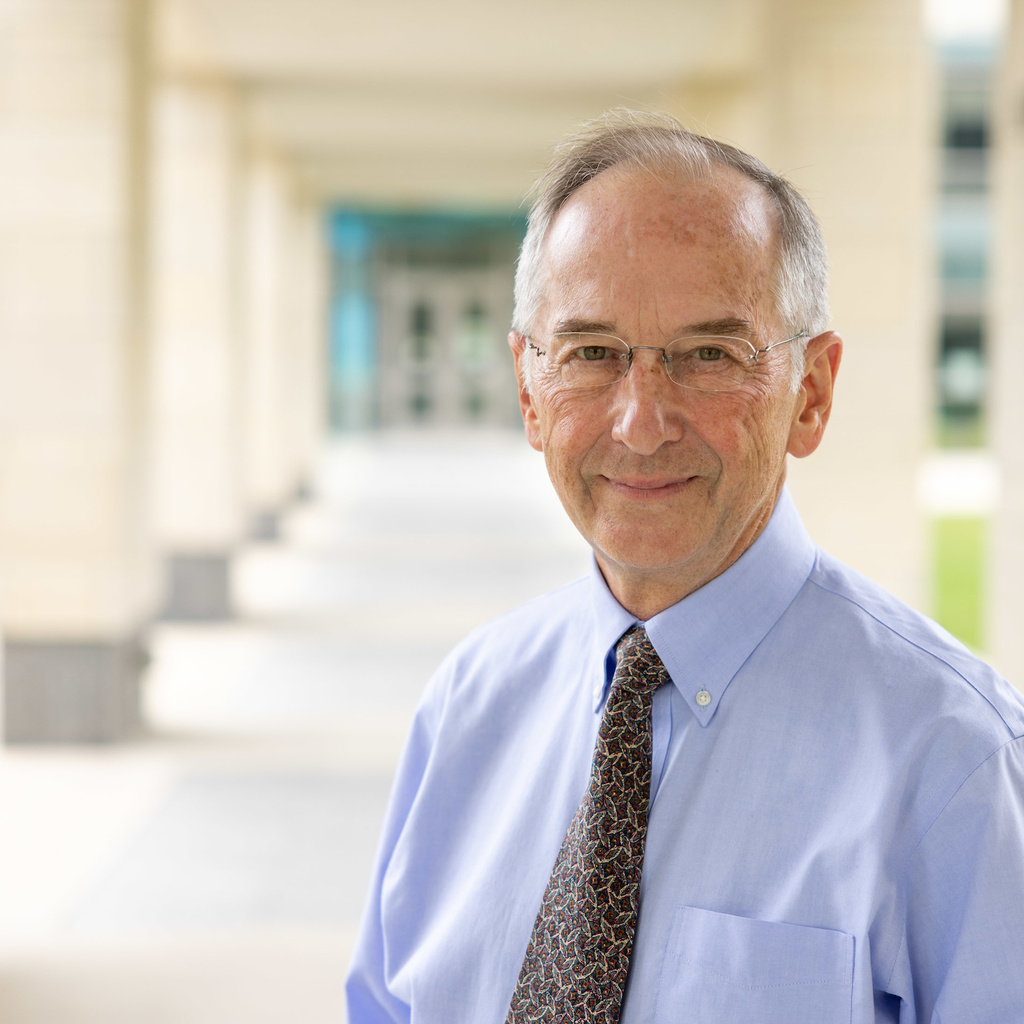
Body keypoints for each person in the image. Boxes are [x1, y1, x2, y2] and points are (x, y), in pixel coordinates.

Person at [345, 110, 1024, 1023]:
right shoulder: (468, 707)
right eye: (592, 353)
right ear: (529, 393)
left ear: (812, 394)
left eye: (709, 355)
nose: (641, 423)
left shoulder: (957, 762)